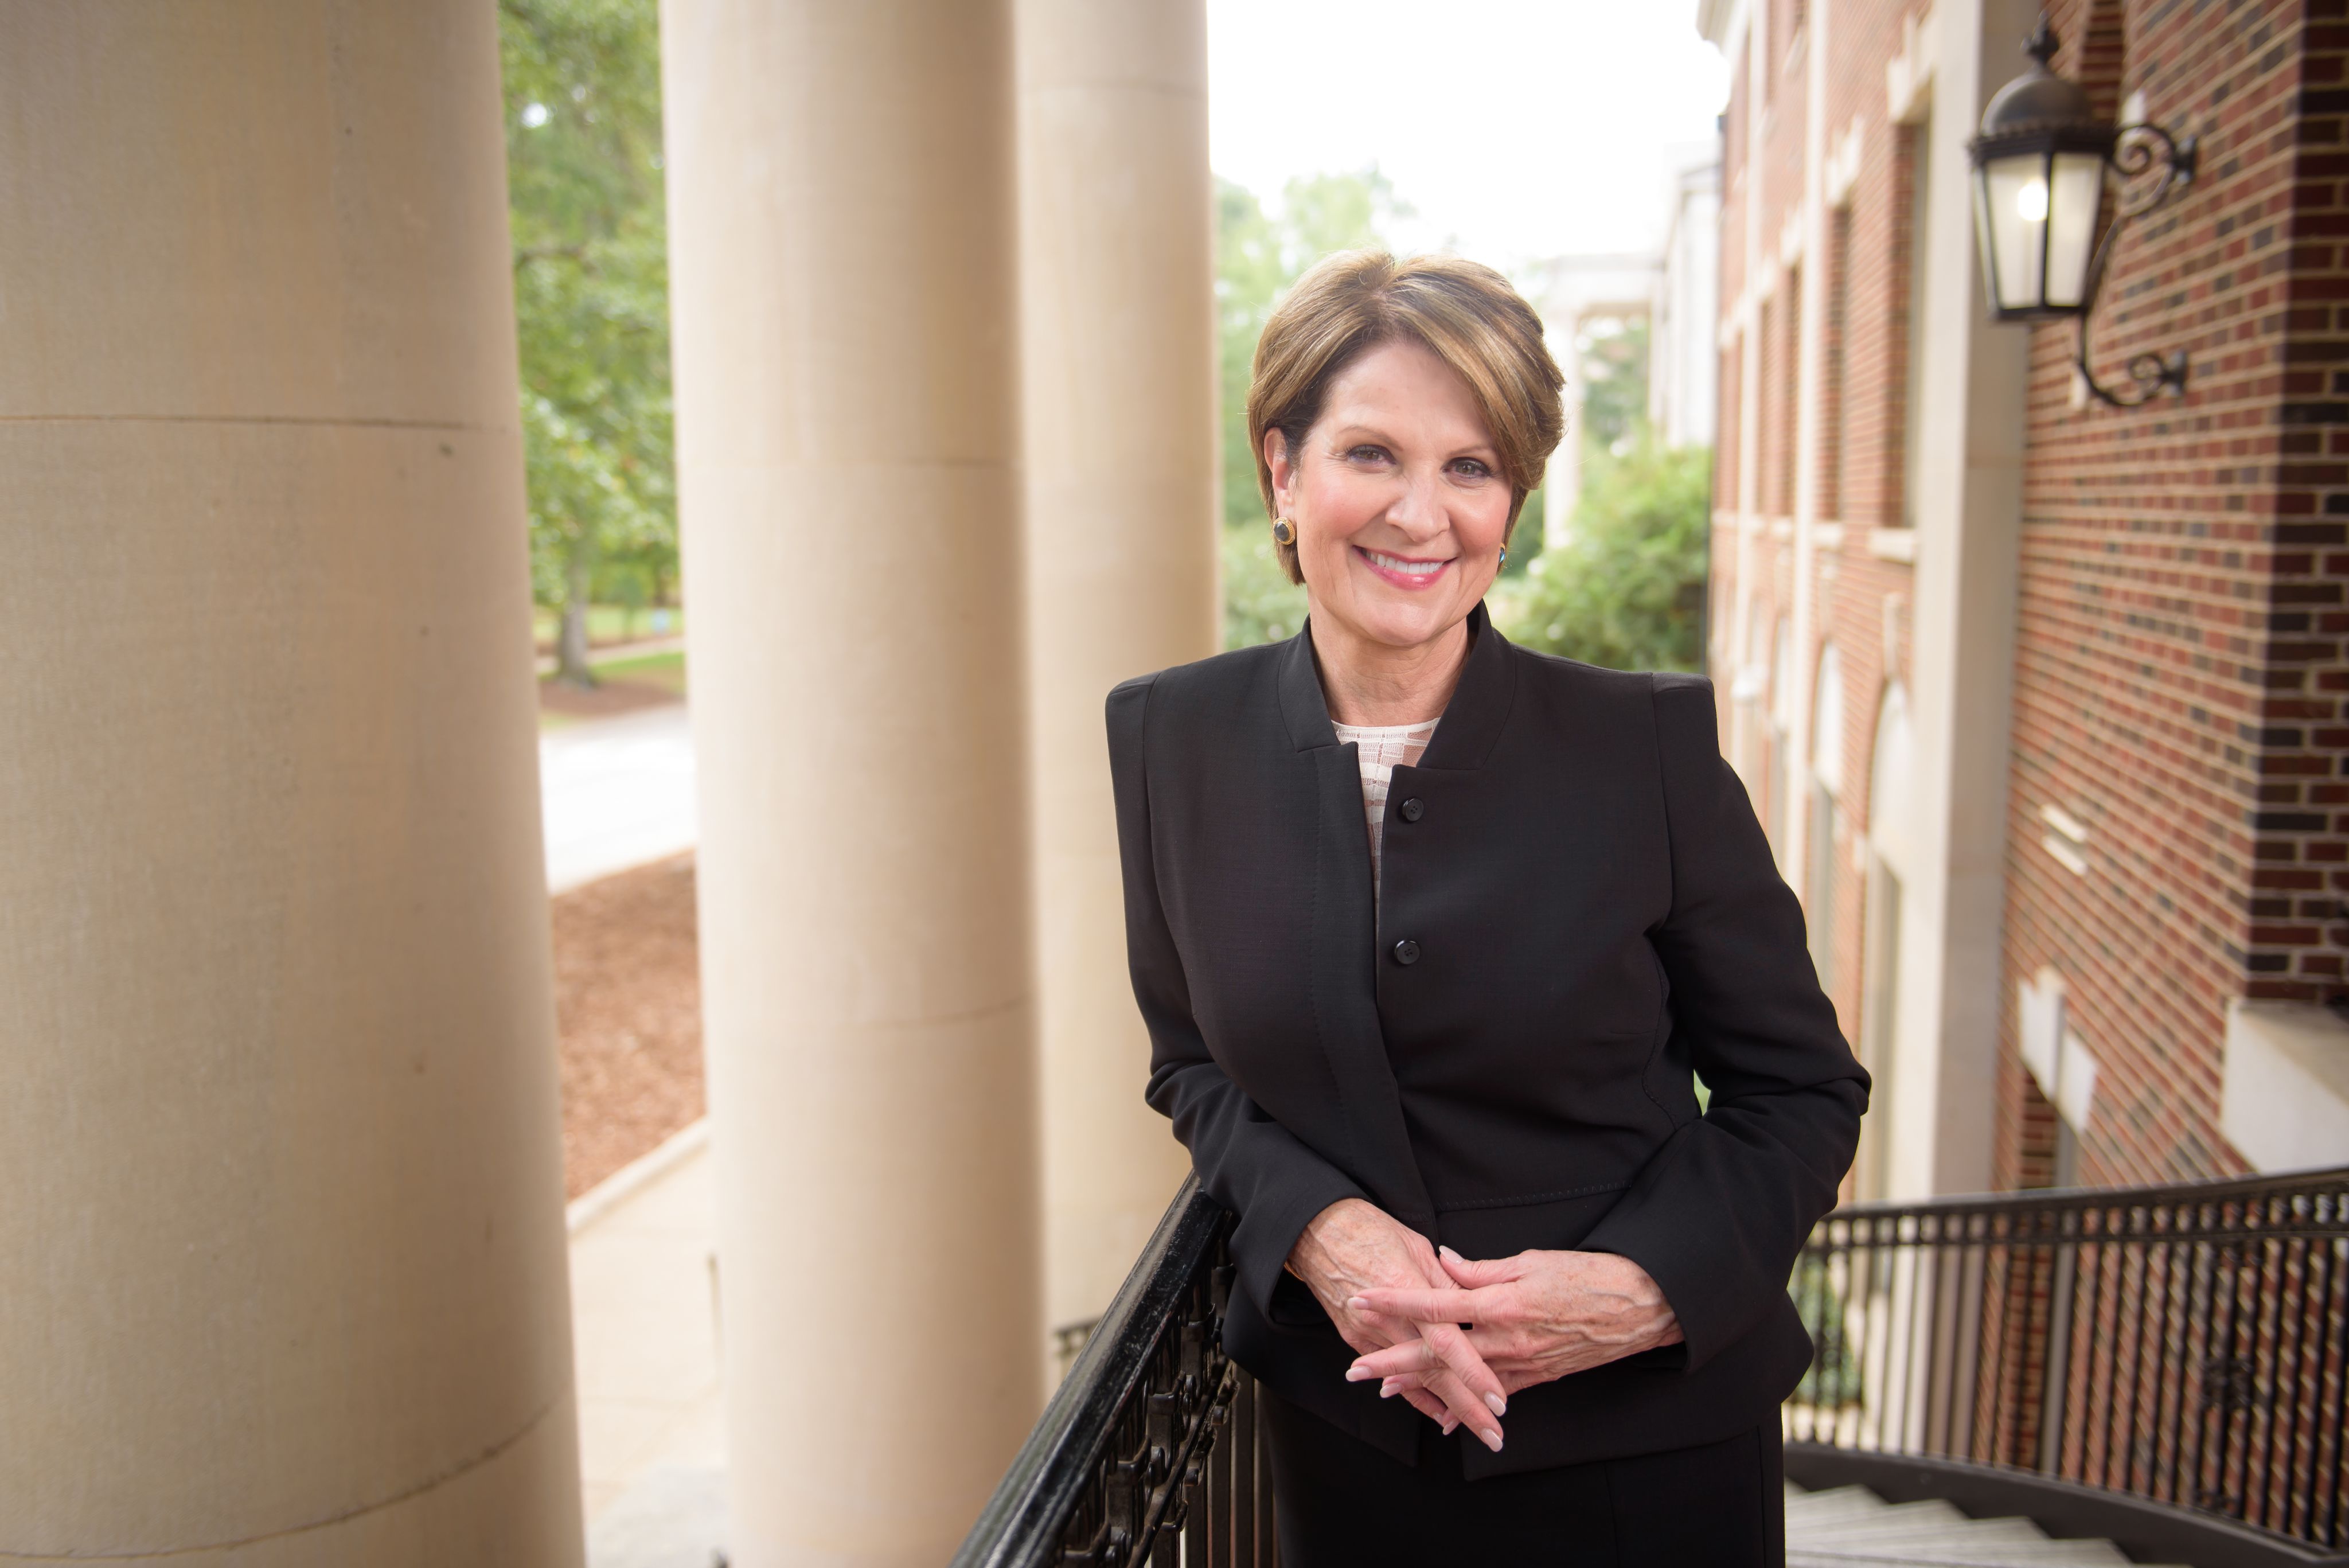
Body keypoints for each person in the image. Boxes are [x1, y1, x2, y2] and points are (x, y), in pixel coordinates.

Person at [1105, 251, 1867, 1566]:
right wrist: (1321, 1236)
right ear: (1282, 470)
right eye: (1370, 454)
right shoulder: (1167, 739)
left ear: (1511, 499)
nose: (1420, 514)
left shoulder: (1645, 748)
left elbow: (1797, 1091)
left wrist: (1636, 1294)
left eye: (1471, 467)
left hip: (1644, 1455)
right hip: (1345, 1452)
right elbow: (1190, 1064)